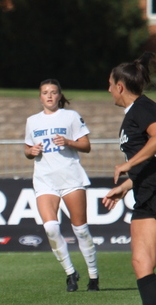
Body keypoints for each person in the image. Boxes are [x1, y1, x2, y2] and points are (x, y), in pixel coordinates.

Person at [24, 79, 99, 292]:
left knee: (80, 230)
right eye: (45, 92)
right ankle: (70, 273)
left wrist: (68, 142)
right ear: (40, 97)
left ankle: (93, 275)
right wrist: (31, 152)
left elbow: (86, 146)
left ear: (59, 95)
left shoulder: (71, 116)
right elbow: (27, 149)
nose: (49, 96)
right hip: (45, 180)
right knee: (50, 227)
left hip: (70, 178)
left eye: (53, 92)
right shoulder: (32, 121)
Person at [102, 52, 156, 305]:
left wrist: (128, 164)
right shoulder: (133, 114)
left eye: (111, 84)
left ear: (120, 86)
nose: (109, 89)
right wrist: (126, 185)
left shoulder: (143, 108)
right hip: (146, 193)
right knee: (141, 261)